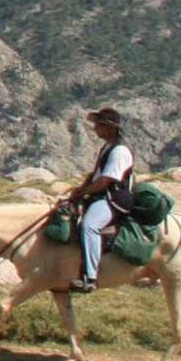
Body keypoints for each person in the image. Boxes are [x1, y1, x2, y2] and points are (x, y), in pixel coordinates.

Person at [60, 107, 134, 294]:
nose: (95, 129)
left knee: (89, 225)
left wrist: (83, 192)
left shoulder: (119, 151)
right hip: (103, 195)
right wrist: (80, 190)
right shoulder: (107, 148)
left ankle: (90, 277)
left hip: (113, 198)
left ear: (110, 128)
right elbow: (96, 175)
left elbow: (106, 180)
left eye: (99, 125)